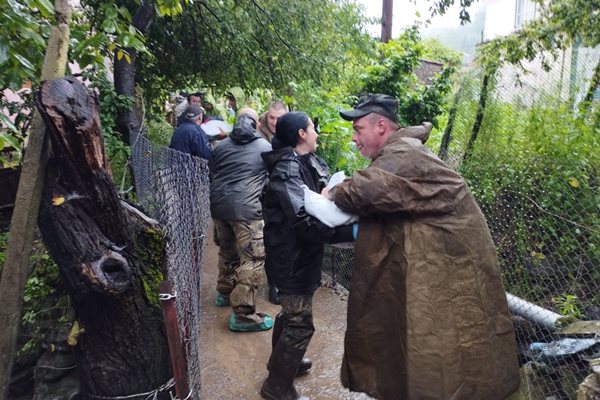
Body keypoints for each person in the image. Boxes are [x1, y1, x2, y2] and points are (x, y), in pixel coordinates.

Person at [325, 94, 520, 400]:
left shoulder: (403, 152)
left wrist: (332, 191)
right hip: (441, 269)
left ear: (380, 126)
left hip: (449, 271)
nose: (354, 137)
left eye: (358, 128)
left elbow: (366, 190)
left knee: (440, 348)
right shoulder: (399, 154)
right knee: (424, 345)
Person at [260, 112, 354, 400]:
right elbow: (302, 218)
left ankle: (283, 363)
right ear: (301, 133)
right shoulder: (286, 170)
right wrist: (348, 234)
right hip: (291, 258)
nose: (317, 133)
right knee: (300, 323)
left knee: (291, 314)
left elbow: (320, 193)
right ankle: (276, 386)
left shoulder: (306, 161)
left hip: (300, 255)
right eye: (313, 128)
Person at [209, 107, 273, 332]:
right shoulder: (265, 147)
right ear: (256, 125)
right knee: (253, 258)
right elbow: (270, 180)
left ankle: (223, 293)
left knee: (228, 252)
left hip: (219, 208)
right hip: (246, 211)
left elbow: (213, 173)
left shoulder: (220, 147)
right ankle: (243, 315)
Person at [258, 100, 289, 305]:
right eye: (272, 117)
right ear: (266, 116)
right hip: (264, 194)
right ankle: (274, 285)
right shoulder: (258, 134)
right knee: (271, 241)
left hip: (284, 193)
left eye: (279, 118)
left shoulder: (290, 131)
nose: (275, 122)